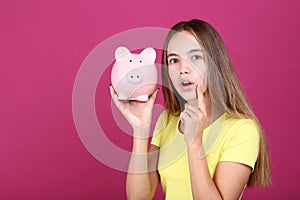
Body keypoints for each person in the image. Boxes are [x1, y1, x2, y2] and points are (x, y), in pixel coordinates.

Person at [110, 19, 271, 200]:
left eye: (195, 57)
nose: (183, 69)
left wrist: (195, 143)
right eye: (174, 60)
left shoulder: (242, 130)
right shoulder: (167, 120)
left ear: (214, 63)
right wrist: (140, 131)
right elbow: (138, 198)